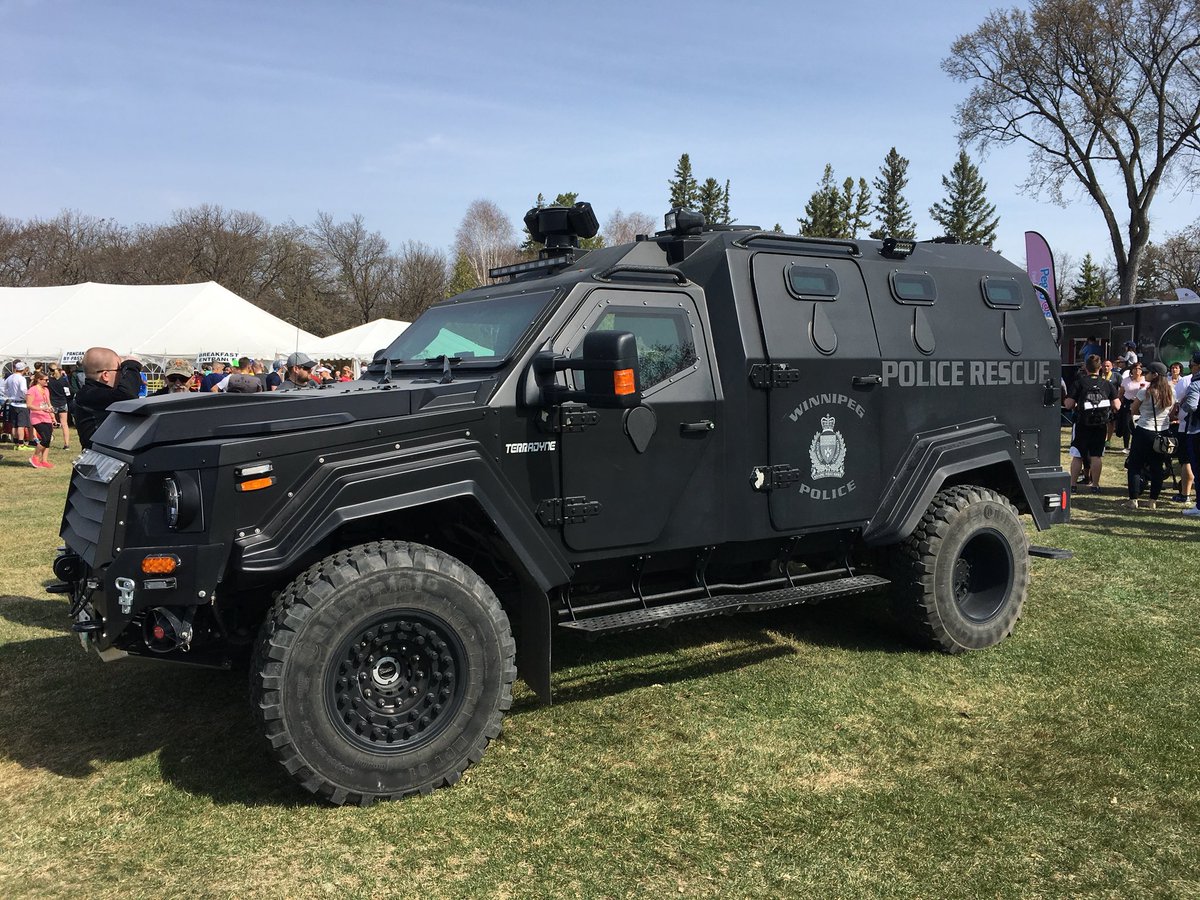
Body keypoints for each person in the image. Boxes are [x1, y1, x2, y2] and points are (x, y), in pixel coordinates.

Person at [1064, 354, 1119, 494]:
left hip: (1082, 423)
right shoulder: (1107, 384)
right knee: (1096, 456)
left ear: (1086, 368)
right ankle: (1095, 485)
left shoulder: (1079, 383)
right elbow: (1117, 405)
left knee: (1077, 455)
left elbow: (1069, 404)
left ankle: (1073, 485)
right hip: (1100, 425)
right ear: (1100, 368)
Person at [1123, 362, 1174, 510]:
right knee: (1157, 467)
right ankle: (1153, 500)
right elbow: (1171, 412)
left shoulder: (1145, 392)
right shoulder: (1171, 392)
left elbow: (1133, 409)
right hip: (1162, 432)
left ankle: (1133, 499)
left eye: (1149, 372)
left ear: (1155, 375)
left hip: (1144, 430)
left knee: (1135, 466)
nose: (1146, 374)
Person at [74, 347, 143, 450]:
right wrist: (131, 365)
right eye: (120, 370)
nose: (122, 375)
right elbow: (128, 395)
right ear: (105, 375)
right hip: (97, 460)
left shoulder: (93, 393)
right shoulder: (89, 395)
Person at [1177, 352, 1200, 518]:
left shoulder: (1195, 383)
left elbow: (1191, 406)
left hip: (1196, 430)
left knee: (1197, 468)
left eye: (1191, 365)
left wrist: (1182, 405)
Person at [25, 370, 55, 468]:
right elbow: (29, 405)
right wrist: (41, 409)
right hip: (37, 417)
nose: (47, 382)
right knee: (44, 438)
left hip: (46, 416)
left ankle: (44, 460)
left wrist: (52, 415)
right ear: (39, 380)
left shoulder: (46, 390)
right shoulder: (32, 390)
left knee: (48, 439)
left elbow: (48, 403)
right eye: (45, 380)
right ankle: (35, 457)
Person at [1116, 361, 1147, 453]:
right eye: (1135, 368)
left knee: (1139, 424)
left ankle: (1139, 444)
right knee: (1127, 424)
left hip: (1141, 403)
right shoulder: (1126, 380)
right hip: (1128, 403)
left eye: (1139, 369)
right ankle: (1126, 446)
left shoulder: (1145, 380)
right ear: (1132, 370)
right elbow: (1120, 393)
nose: (1137, 371)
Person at [2, 360, 31, 450]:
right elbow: (23, 390)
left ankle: (15, 442)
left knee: (14, 425)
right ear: (24, 369)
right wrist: (26, 398)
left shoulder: (10, 377)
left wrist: (9, 395)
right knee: (21, 425)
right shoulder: (21, 379)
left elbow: (4, 388)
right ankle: (21, 444)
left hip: (12, 402)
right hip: (21, 404)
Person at [47, 364, 72, 449]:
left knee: (50, 424)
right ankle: (66, 444)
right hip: (62, 402)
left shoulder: (49, 381)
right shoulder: (63, 380)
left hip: (52, 403)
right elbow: (68, 393)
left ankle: (47, 441)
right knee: (64, 424)